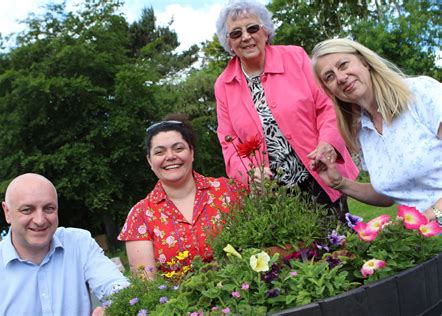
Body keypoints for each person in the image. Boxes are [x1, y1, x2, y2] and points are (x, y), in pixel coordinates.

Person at [214, 0, 358, 220]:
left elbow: (327, 106)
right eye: (236, 33)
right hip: (274, 192)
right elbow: (228, 142)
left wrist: (328, 141)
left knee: (342, 245)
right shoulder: (223, 85)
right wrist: (249, 173)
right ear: (229, 42)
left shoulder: (296, 57)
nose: (246, 37)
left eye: (252, 28)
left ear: (265, 31)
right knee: (293, 252)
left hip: (320, 175)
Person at [310, 38, 442, 224]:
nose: (340, 77)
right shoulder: (362, 131)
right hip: (423, 239)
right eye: (329, 77)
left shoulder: (420, 93)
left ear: (364, 62)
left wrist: (431, 215)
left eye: (343, 65)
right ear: (329, 90)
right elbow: (388, 195)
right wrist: (340, 183)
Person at [0, 173, 129, 316]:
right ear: (7, 212)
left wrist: (114, 309)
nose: (40, 220)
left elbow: (118, 289)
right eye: (27, 210)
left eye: (49, 208)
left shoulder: (79, 244)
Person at [118, 113, 245, 279]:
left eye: (178, 149)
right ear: (149, 161)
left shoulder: (229, 191)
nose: (170, 156)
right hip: (179, 303)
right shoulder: (140, 216)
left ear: (192, 153)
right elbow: (147, 287)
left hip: (242, 295)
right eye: (159, 152)